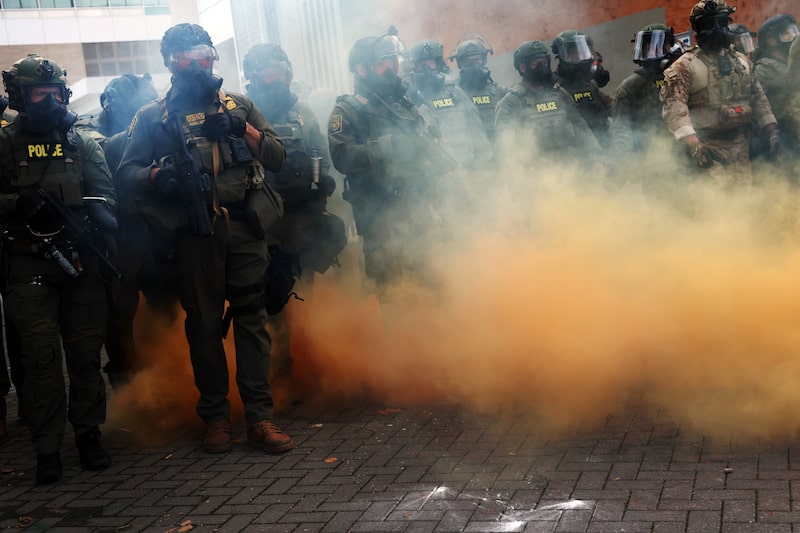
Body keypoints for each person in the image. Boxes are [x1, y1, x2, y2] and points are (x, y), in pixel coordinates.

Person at [117, 23, 292, 455]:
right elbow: (125, 174)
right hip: (196, 235)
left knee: (251, 317)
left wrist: (241, 128)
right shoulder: (153, 117)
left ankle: (260, 417)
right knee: (204, 328)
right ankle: (215, 417)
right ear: (170, 62)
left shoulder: (240, 105)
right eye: (187, 57)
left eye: (206, 55)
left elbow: (277, 156)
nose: (199, 64)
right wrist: (159, 176)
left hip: (245, 229)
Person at [0, 54, 117, 483]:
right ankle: (47, 448)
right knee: (41, 361)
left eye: (55, 93)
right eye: (38, 93)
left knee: (86, 356)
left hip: (80, 262)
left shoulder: (82, 141)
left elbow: (106, 195)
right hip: (28, 263)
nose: (49, 101)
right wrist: (17, 203)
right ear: (19, 97)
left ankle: (88, 434)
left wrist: (101, 224)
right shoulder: (4, 143)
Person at [242, 43, 346, 381]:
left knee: (304, 290)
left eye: (282, 72)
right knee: (270, 293)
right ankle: (278, 366)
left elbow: (320, 151)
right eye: (271, 74)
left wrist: (323, 184)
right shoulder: (243, 115)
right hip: (264, 220)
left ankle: (306, 359)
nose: (279, 80)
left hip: (301, 217)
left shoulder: (303, 111)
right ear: (255, 76)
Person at [328, 31, 450, 289]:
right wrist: (387, 145)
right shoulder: (347, 110)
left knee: (437, 285)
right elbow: (342, 157)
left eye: (395, 60)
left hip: (419, 210)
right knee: (394, 293)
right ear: (362, 69)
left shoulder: (403, 104)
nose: (394, 67)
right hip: (380, 217)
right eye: (385, 62)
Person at [75, 73, 160, 387]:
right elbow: (104, 151)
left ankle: (165, 368)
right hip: (115, 234)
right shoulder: (87, 128)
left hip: (152, 228)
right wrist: (143, 126)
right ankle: (127, 382)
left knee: (165, 303)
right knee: (120, 314)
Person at [661, 0, 780, 190]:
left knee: (743, 199)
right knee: (715, 205)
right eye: (708, 24)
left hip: (742, 145)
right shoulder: (685, 66)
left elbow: (759, 98)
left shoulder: (742, 62)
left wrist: (771, 130)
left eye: (721, 21)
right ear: (697, 29)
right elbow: (675, 108)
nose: (716, 29)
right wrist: (693, 144)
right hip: (708, 148)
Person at [610, 23, 689, 206]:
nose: (651, 53)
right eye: (647, 48)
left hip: (684, 153)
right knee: (661, 207)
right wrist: (628, 163)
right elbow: (621, 129)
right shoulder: (632, 86)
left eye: (657, 47)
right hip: (652, 160)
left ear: (671, 48)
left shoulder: (682, 78)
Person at [494, 40, 602, 170]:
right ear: (522, 67)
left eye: (545, 62)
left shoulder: (560, 94)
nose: (542, 67)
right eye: (535, 64)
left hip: (570, 170)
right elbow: (506, 149)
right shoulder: (511, 102)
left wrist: (597, 159)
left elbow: (582, 129)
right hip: (537, 177)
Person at [407, 39, 491, 171]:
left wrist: (485, 167)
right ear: (413, 67)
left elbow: (477, 133)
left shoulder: (455, 92)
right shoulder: (410, 99)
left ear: (439, 64)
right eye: (421, 65)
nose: (427, 70)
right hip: (437, 178)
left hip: (469, 170)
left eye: (431, 63)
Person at [551, 30, 614, 147]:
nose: (579, 58)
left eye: (581, 53)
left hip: (604, 147)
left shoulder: (589, 84)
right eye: (574, 53)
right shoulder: (554, 88)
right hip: (577, 153)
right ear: (562, 55)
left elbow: (613, 108)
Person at [448, 34, 508, 142]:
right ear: (460, 64)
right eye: (468, 61)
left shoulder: (499, 91)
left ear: (484, 60)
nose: (474, 64)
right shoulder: (453, 92)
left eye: (477, 59)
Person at [753, 14, 799, 153]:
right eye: (787, 33)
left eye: (795, 31)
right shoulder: (762, 70)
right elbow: (756, 104)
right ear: (772, 41)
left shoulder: (795, 63)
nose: (794, 36)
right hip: (784, 133)